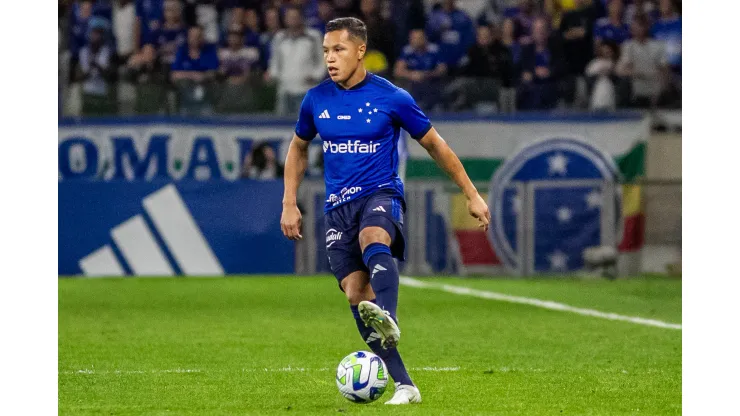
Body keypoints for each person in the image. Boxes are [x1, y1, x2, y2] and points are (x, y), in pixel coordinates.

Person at [279, 17, 490, 405]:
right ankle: (405, 385)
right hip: (337, 208)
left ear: (361, 51)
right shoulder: (316, 100)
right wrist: (289, 202)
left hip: (380, 194)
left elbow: (436, 145)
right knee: (356, 293)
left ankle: (388, 314)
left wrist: (471, 194)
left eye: (338, 49)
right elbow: (297, 148)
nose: (330, 58)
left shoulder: (392, 97)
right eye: (326, 51)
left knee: (373, 237)